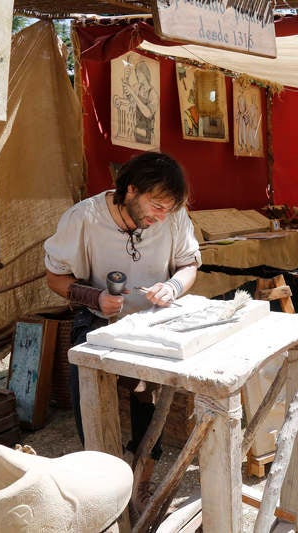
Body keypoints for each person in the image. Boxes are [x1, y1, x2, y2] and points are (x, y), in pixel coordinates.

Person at [44, 151, 201, 512]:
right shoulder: (84, 218)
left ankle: (142, 479)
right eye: (156, 206)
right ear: (131, 190)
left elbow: (188, 265)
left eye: (169, 209)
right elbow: (54, 277)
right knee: (88, 394)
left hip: (152, 319)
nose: (161, 217)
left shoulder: (172, 216)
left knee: (150, 397)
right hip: (98, 319)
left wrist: (174, 286)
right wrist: (94, 296)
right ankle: (103, 484)